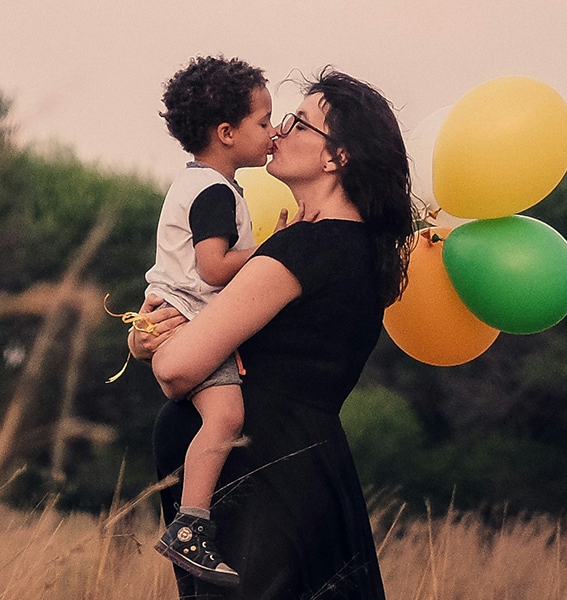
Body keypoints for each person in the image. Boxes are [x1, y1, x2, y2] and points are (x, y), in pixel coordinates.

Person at [128, 68, 415, 599]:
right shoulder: (356, 252)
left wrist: (160, 347)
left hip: (264, 486)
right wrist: (145, 334)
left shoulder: (302, 249)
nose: (280, 132)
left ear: (338, 157)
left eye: (300, 124)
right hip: (305, 472)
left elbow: (176, 369)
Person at [142, 55, 281, 587]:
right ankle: (190, 526)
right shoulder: (215, 192)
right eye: (264, 122)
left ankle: (190, 521)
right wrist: (274, 250)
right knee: (225, 419)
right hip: (190, 321)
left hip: (178, 317)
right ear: (226, 132)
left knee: (220, 418)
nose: (273, 132)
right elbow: (215, 267)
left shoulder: (202, 184)